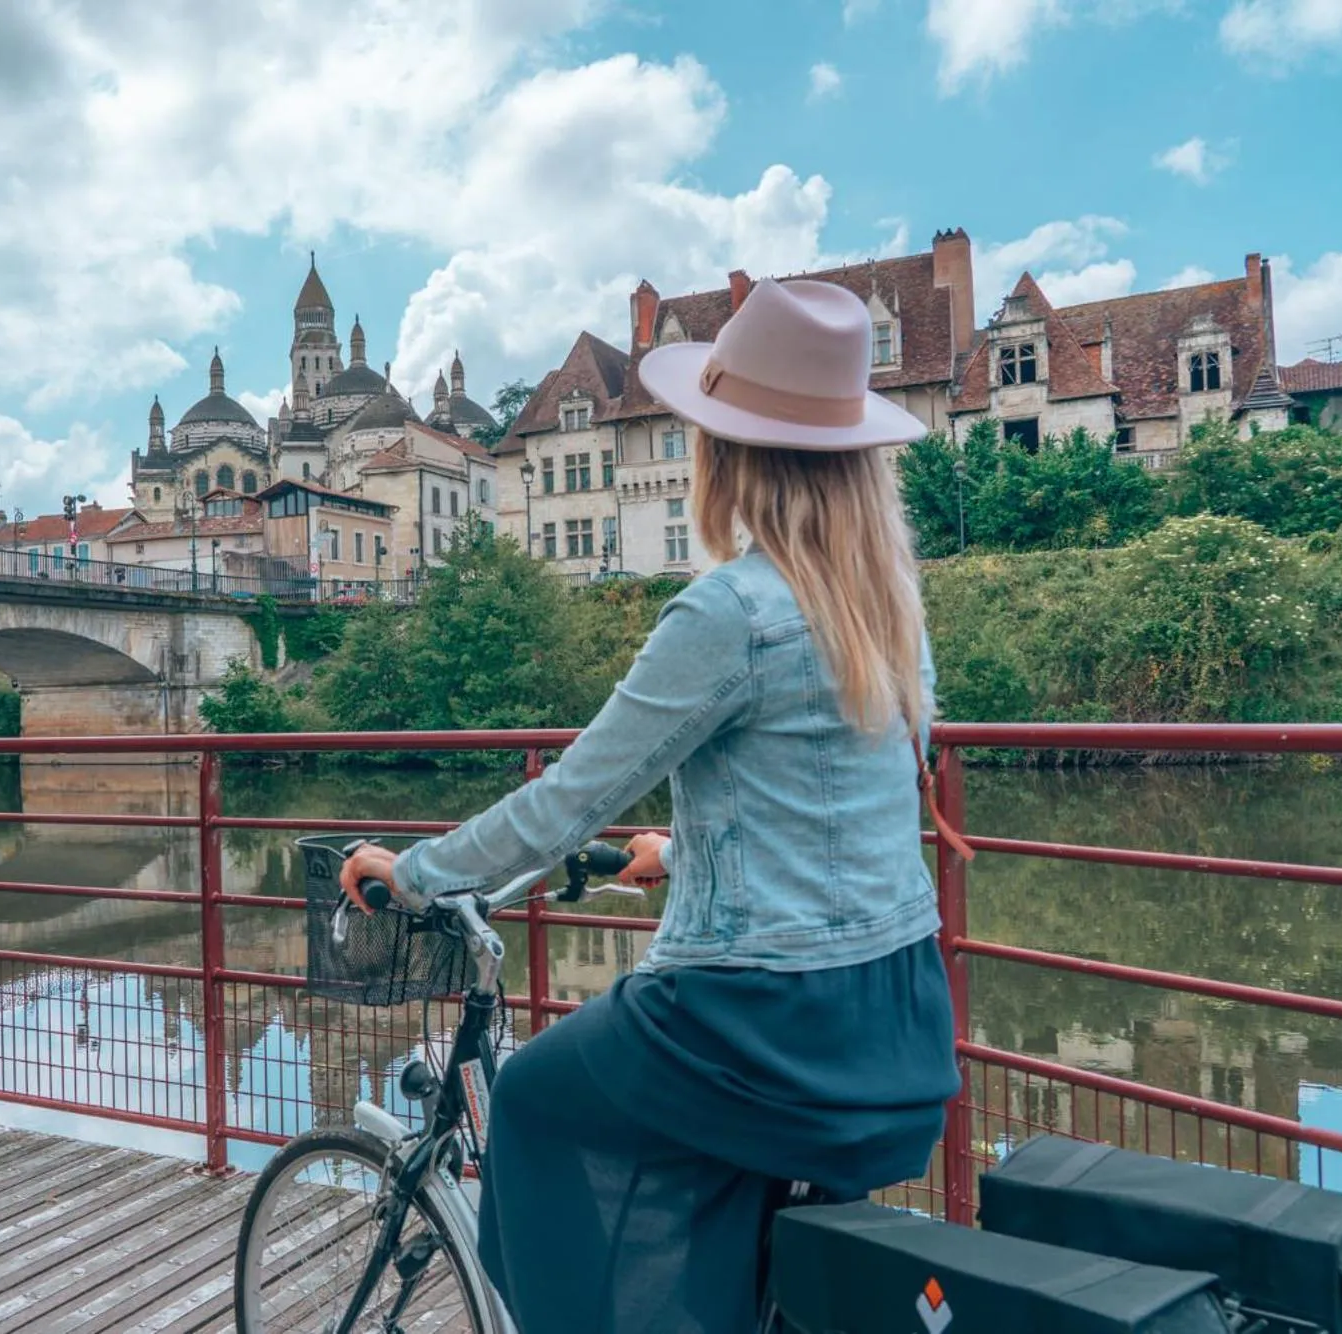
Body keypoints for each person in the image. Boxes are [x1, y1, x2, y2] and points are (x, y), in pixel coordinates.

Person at [339, 278, 965, 1334]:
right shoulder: (888, 611)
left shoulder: (729, 610)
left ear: (729, 454)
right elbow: (851, 805)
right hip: (897, 1018)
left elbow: (570, 796)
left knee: (533, 1096)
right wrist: (688, 848)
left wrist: (415, 869)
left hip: (763, 1024)